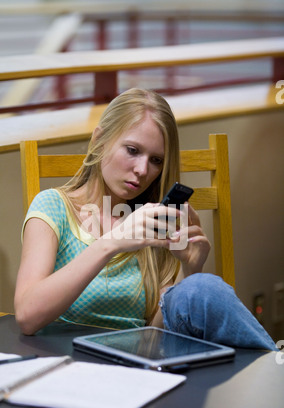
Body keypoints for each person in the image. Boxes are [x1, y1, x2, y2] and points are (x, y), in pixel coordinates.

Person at [14, 88, 276, 350]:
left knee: (201, 288)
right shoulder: (53, 206)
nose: (142, 170)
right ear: (100, 139)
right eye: (132, 150)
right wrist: (111, 242)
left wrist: (191, 271)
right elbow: (27, 317)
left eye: (156, 160)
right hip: (69, 363)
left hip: (138, 365)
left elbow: (155, 335)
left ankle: (272, 368)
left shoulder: (151, 222)